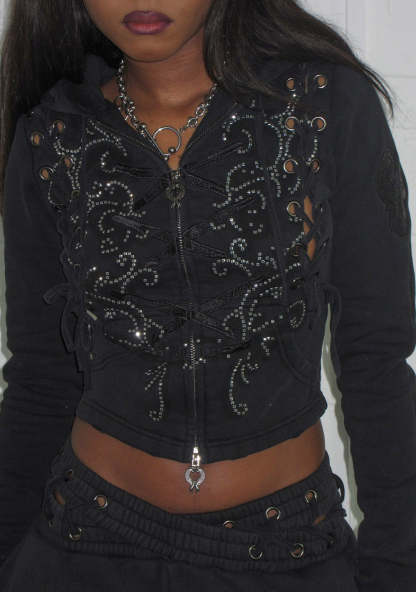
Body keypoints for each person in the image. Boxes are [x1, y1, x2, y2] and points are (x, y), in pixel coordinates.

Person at [0, 0, 415, 590]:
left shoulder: (321, 107)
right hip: (82, 541)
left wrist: (397, 568)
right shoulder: (53, 134)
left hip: (286, 547)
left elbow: (378, 360)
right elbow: (41, 380)